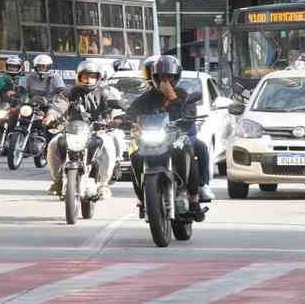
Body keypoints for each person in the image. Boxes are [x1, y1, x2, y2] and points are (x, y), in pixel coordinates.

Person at [127, 55, 206, 221]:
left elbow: (189, 115)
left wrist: (172, 97)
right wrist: (122, 120)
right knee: (134, 154)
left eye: (170, 77)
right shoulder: (147, 98)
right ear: (155, 77)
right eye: (162, 77)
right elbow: (131, 113)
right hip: (151, 140)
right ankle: (143, 198)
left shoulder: (182, 95)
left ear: (176, 77)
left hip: (173, 139)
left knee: (188, 148)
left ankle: (193, 199)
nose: (166, 80)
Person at [46, 61, 120, 199]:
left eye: (92, 76)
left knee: (108, 146)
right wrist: (51, 116)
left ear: (98, 78)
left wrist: (114, 119)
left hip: (97, 131)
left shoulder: (105, 92)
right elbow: (58, 106)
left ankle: (104, 185)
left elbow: (115, 106)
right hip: (72, 131)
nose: (88, 79)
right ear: (78, 77)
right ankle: (57, 181)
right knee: (53, 145)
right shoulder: (69, 93)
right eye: (85, 76)